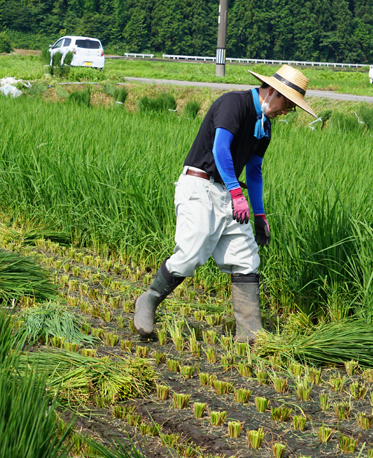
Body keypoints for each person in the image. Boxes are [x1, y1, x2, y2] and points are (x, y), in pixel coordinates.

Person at [133, 65, 317, 343]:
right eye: (287, 104)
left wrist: (259, 213)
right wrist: (236, 192)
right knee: (190, 255)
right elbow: (220, 148)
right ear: (271, 92)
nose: (286, 112)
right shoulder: (235, 103)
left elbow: (254, 171)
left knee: (245, 257)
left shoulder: (264, 127)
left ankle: (250, 331)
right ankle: (149, 299)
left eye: (291, 108)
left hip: (228, 192)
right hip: (200, 187)